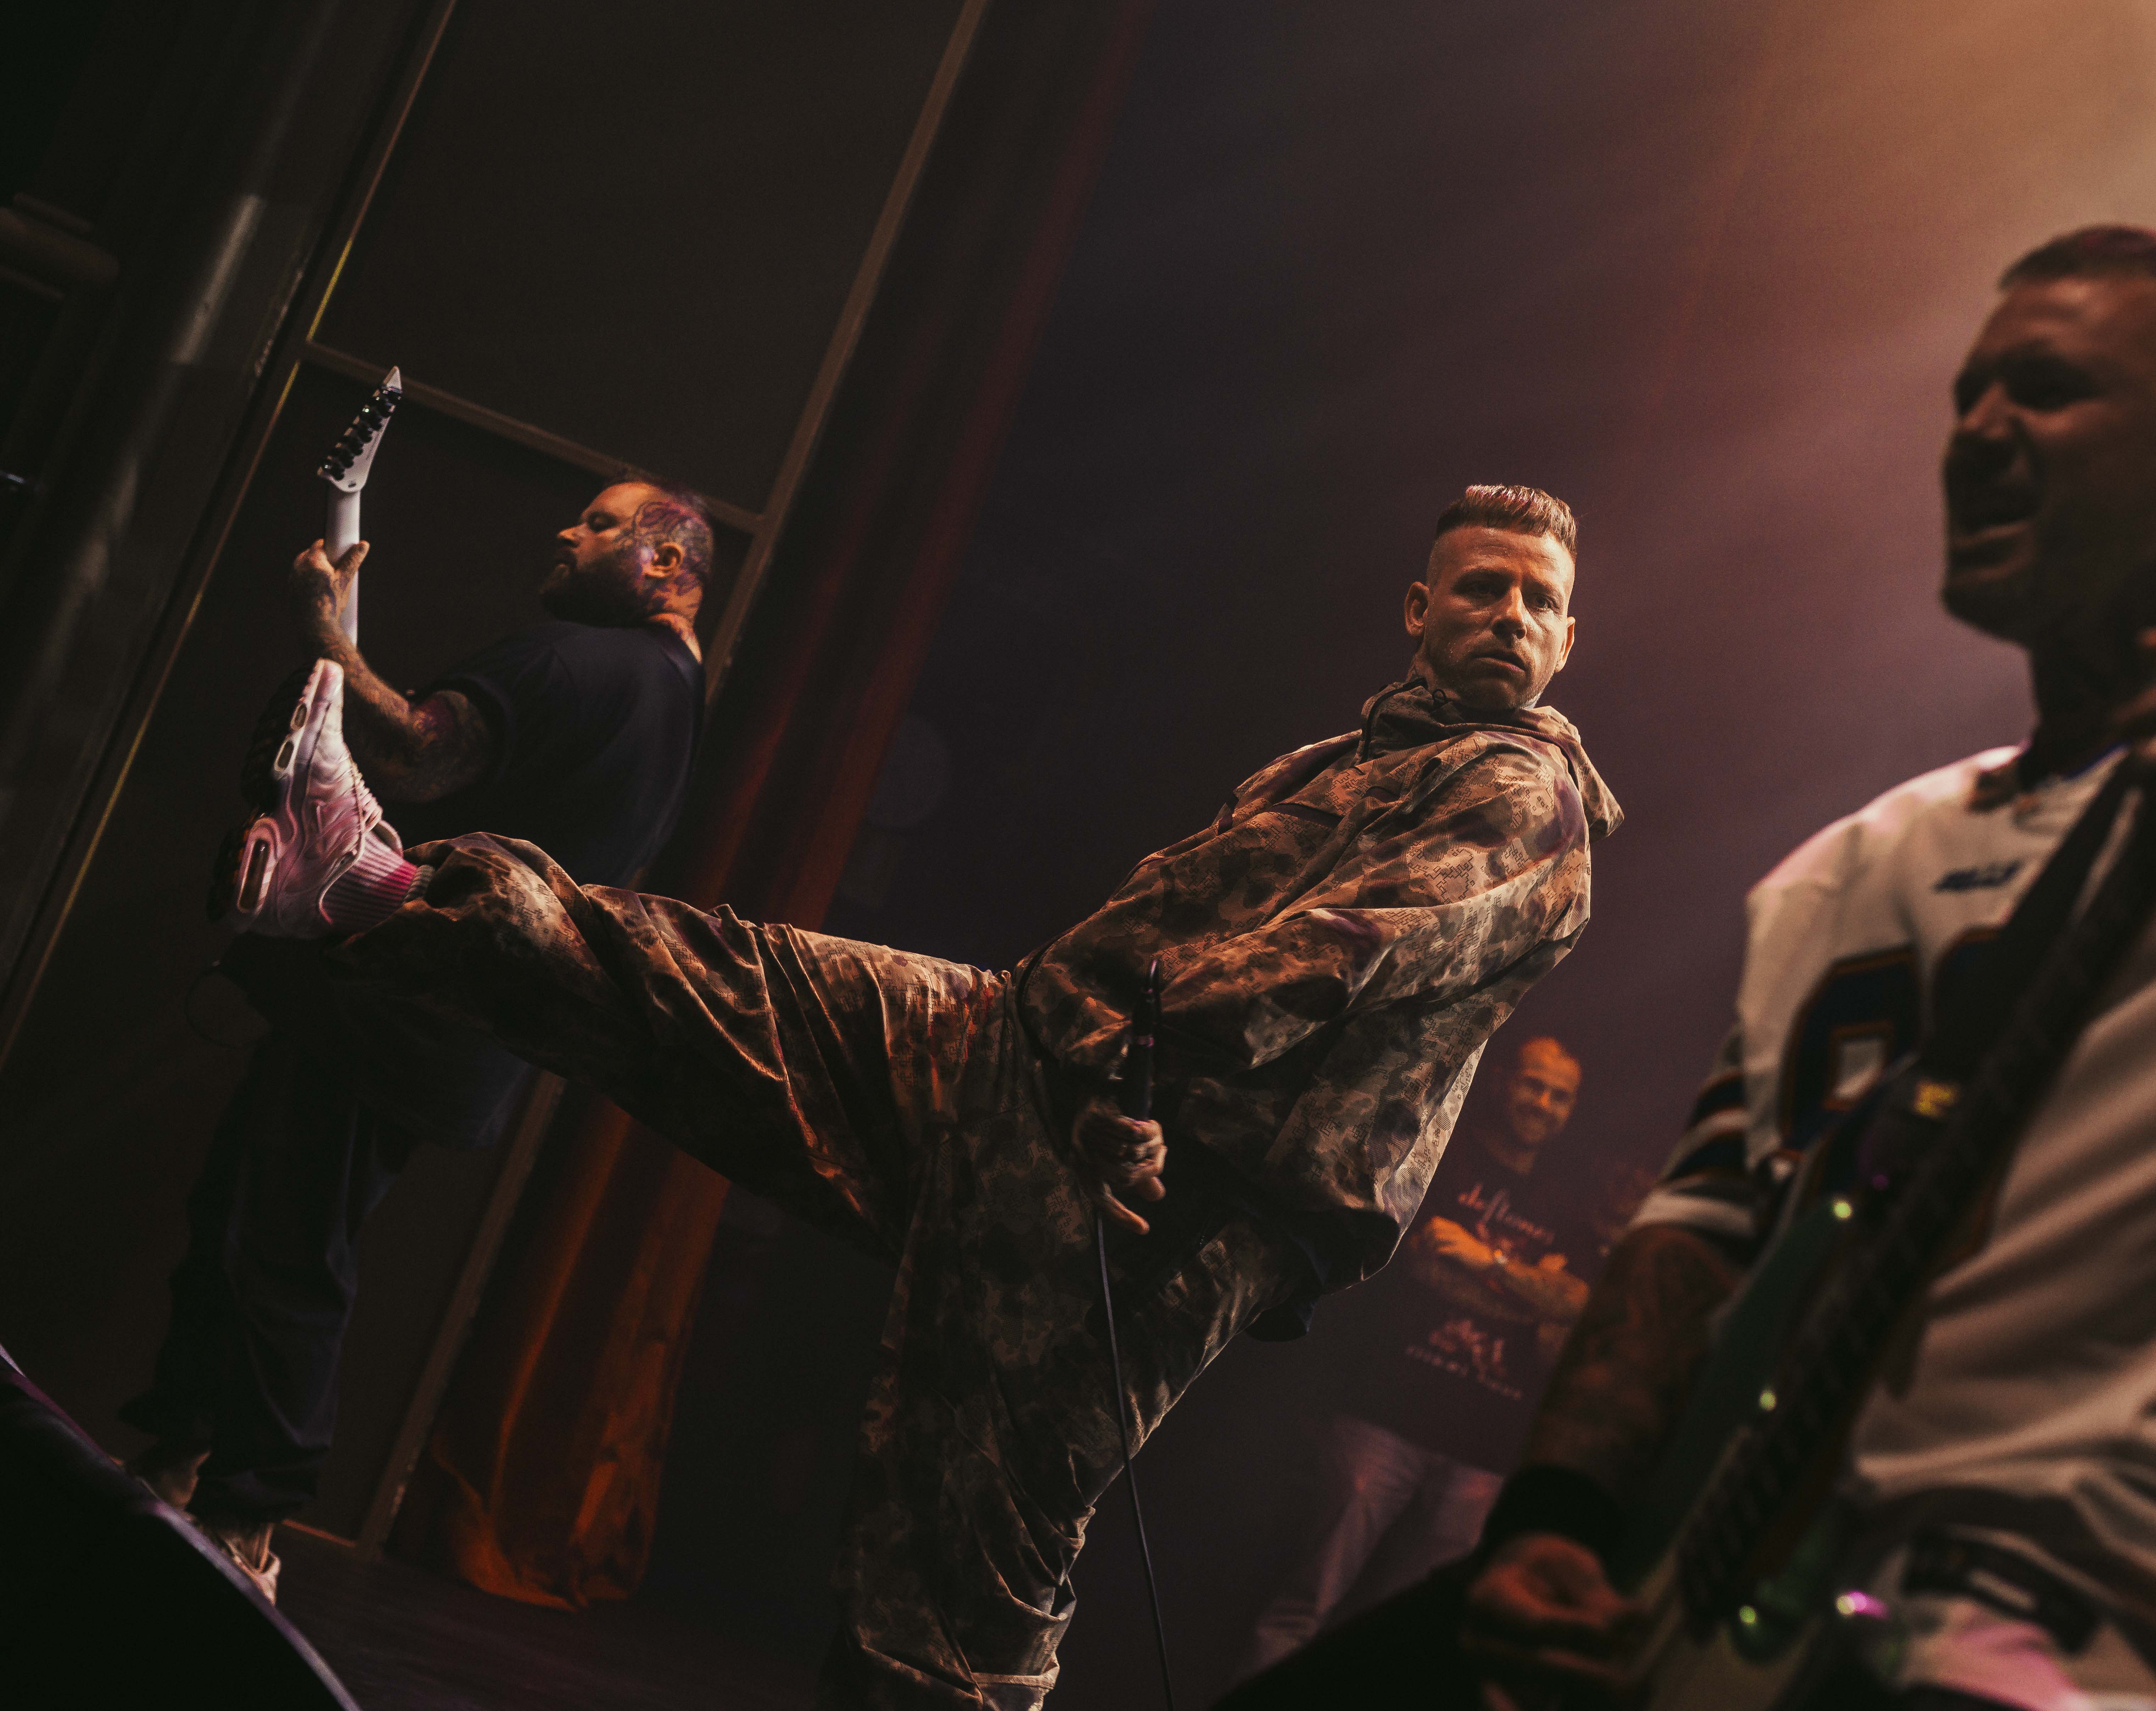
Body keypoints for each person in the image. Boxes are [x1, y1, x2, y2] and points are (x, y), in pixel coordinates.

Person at [1231, 228, 2156, 1710]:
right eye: (1968, 393)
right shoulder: (1864, 864)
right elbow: (1704, 1225)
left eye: (2048, 390)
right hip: (1774, 1604)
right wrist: (1555, 1522)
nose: (1978, 431)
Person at [219, 483, 1620, 1707]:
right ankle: (380, 886)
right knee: (722, 980)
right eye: (1481, 586)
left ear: (1567, 638)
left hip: (1164, 1189)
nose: (1510, 612)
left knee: (963, 1558)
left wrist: (1135, 1067)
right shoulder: (1341, 760)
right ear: (1418, 607)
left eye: (1538, 599)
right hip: (1022, 1051)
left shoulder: (1525, 798)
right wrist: (1089, 1044)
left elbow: (1341, 954)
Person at [124, 480, 712, 1602]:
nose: (566, 530)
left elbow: (415, 759)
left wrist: (323, 633)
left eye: (597, 524)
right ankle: (180, 1458)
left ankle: (247, 1520)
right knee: (249, 1217)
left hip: (394, 1007)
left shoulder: (577, 663)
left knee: (286, 1248)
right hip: (443, 1019)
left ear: (665, 563)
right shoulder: (675, 703)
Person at [1231, 1034, 1598, 1679]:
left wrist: (1485, 1261)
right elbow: (1427, 1263)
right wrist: (1527, 1288)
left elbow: (1574, 1302)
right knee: (1303, 1602)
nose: (1543, 1103)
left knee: (1408, 1637)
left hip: (1481, 1455)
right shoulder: (1444, 1159)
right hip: (1382, 1419)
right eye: (1533, 1084)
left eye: (1559, 1096)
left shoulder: (1564, 1205)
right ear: (1501, 1082)